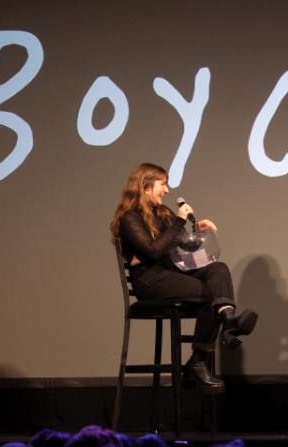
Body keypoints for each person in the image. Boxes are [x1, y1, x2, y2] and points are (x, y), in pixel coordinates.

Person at [110, 163, 257, 391]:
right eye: (163, 184)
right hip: (150, 281)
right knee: (212, 295)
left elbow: (180, 247)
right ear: (146, 186)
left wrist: (199, 231)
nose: (167, 190)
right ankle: (199, 360)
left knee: (218, 270)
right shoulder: (129, 219)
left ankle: (226, 322)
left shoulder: (163, 213)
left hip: (171, 273)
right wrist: (178, 222)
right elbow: (153, 250)